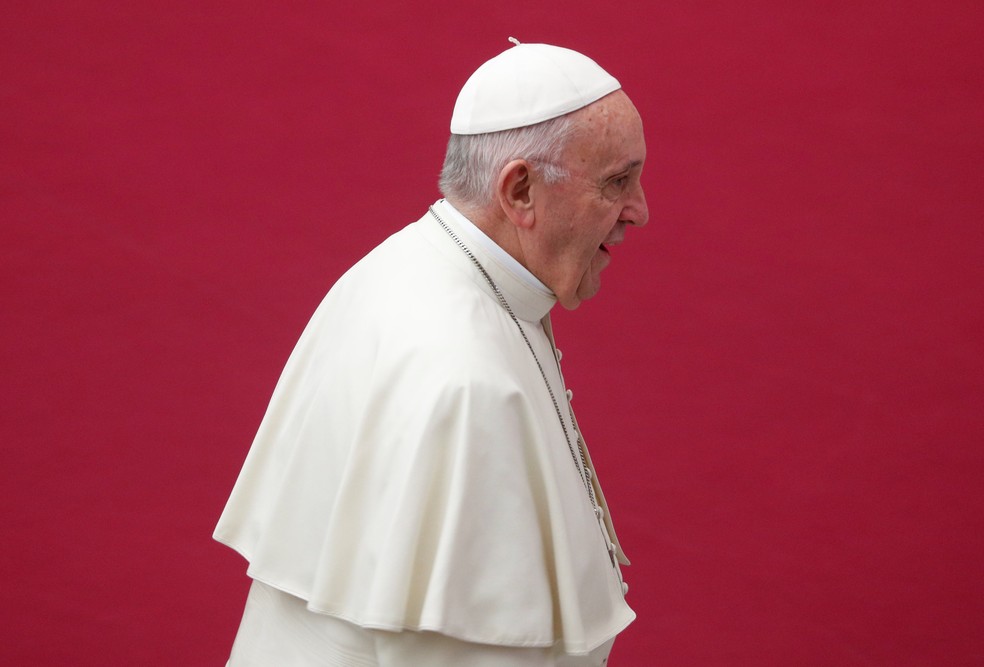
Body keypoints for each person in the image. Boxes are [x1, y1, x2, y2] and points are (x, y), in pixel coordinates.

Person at [214, 39, 649, 666]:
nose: (639, 211)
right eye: (617, 182)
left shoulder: (410, 265)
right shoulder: (464, 380)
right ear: (520, 190)